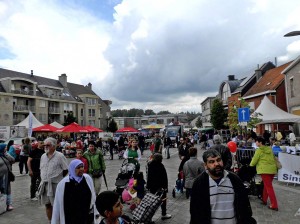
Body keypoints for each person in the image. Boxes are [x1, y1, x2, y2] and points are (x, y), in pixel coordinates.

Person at [190, 149, 256, 224]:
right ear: (205, 165)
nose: (216, 164)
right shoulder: (199, 183)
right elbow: (195, 212)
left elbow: (244, 207)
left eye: (218, 160)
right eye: (212, 162)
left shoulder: (234, 179)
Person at [51, 159, 97, 224]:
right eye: (78, 167)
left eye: (82, 167)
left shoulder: (87, 179)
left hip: (86, 215)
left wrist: (95, 211)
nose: (81, 169)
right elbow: (57, 204)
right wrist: (54, 221)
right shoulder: (63, 184)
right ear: (72, 169)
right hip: (71, 217)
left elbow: (93, 195)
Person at [38, 137, 68, 222]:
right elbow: (42, 168)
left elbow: (66, 169)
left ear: (54, 146)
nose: (46, 147)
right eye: (44, 145)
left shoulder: (60, 156)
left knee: (56, 205)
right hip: (45, 184)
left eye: (48, 145)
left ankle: (58, 221)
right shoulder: (43, 156)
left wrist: (58, 179)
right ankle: (51, 221)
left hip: (55, 185)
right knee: (47, 205)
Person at [250, 137, 278, 211]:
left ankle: (274, 205)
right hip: (272, 170)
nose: (255, 143)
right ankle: (264, 200)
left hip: (264, 170)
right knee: (266, 186)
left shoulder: (259, 150)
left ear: (260, 142)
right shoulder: (269, 149)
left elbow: (253, 161)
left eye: (256, 141)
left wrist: (250, 165)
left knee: (269, 187)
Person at [146, 153, 172, 220]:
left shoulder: (150, 165)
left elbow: (149, 177)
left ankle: (150, 216)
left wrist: (148, 186)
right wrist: (165, 188)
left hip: (152, 187)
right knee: (163, 201)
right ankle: (164, 214)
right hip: (160, 187)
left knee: (152, 202)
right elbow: (164, 178)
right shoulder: (160, 166)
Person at [0, 143, 15, 211]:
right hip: (1, 177)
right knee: (2, 190)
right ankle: (2, 205)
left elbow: (13, 160)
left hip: (7, 176)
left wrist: (6, 154)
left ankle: (9, 204)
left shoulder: (6, 155)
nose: (6, 148)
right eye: (5, 147)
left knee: (7, 189)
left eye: (6, 147)